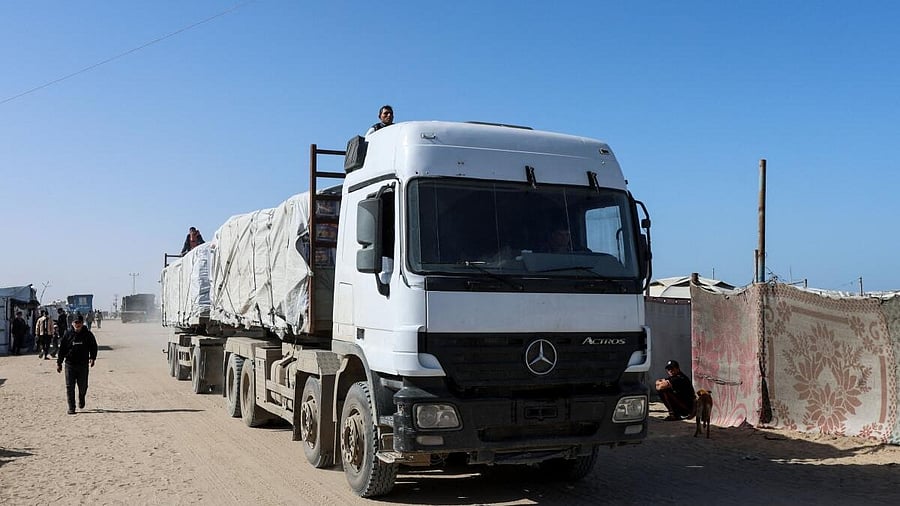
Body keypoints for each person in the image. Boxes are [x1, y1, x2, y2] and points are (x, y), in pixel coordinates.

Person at [56, 314, 98, 415]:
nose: (77, 324)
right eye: (76, 322)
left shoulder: (88, 334)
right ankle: (71, 407)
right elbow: (62, 349)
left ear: (82, 323)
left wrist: (92, 358)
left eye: (79, 322)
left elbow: (93, 347)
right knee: (69, 386)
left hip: (83, 364)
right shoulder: (68, 334)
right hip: (70, 364)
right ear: (72, 323)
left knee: (83, 386)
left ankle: (81, 397)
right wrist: (59, 363)